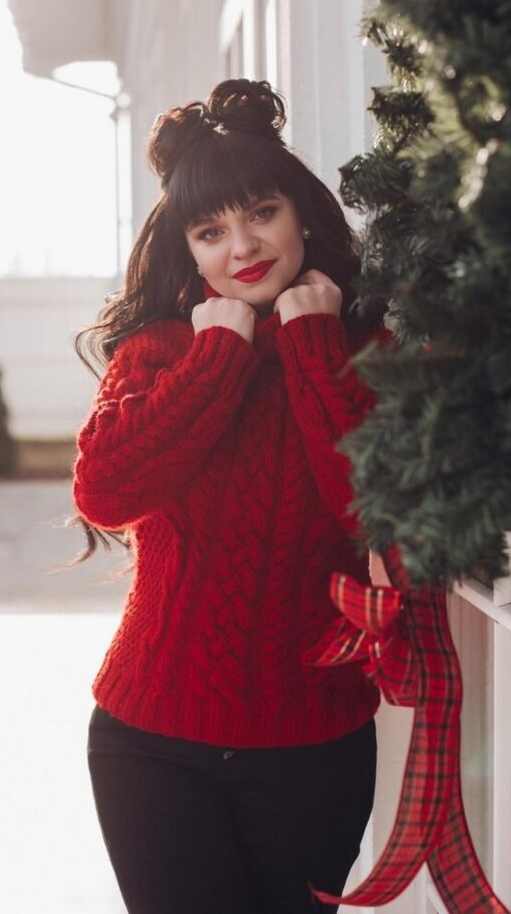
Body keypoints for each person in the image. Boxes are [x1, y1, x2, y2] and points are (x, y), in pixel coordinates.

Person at [72, 79, 385, 914]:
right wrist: (216, 358)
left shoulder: (363, 348)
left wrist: (314, 343)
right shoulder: (158, 354)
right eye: (211, 232)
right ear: (188, 249)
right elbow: (104, 493)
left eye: (260, 214)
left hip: (313, 743)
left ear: (302, 215)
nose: (240, 246)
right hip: (150, 741)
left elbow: (377, 513)